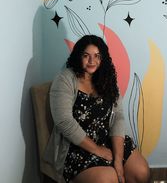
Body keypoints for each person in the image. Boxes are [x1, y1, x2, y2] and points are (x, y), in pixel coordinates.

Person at [44, 34, 150, 183]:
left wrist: (118, 160)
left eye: (97, 56)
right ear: (78, 56)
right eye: (86, 56)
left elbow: (118, 116)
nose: (92, 61)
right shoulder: (65, 80)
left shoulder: (107, 78)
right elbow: (64, 122)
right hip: (77, 147)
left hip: (107, 139)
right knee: (109, 179)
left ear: (103, 58)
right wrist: (97, 150)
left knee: (141, 172)